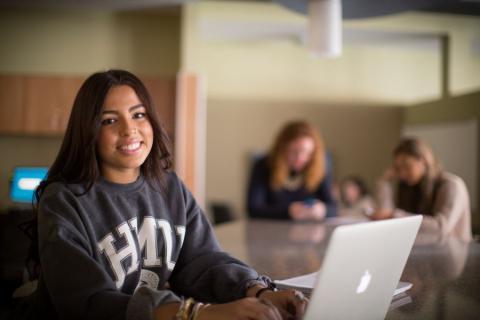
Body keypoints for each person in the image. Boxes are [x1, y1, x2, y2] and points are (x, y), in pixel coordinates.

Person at [19, 70, 307, 320]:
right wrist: (196, 314)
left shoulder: (169, 187)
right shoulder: (63, 201)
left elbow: (203, 261)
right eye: (109, 120)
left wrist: (259, 291)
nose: (129, 129)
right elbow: (87, 304)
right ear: (88, 131)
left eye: (138, 114)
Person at [371, 137, 472, 241]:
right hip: (426, 253)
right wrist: (384, 182)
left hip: (452, 254)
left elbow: (441, 228)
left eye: (406, 166)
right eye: (398, 168)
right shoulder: (411, 188)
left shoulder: (451, 185)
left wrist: (393, 215)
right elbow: (384, 215)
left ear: (423, 161)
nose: (402, 174)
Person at [247, 121, 336, 220]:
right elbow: (253, 209)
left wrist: (322, 210)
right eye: (294, 151)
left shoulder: (319, 167)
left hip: (312, 231)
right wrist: (289, 211)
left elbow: (334, 208)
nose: (300, 158)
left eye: (306, 152)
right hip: (272, 231)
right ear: (282, 149)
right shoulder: (264, 165)